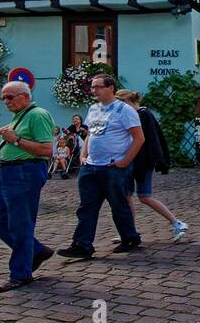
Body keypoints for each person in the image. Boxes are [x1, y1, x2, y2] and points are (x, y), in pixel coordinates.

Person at [58, 74, 145, 259]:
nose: (94, 90)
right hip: (91, 166)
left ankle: (129, 237)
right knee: (87, 206)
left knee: (118, 205)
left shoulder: (124, 110)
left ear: (111, 88)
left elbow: (139, 138)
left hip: (113, 166)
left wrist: (125, 161)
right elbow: (90, 134)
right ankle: (82, 244)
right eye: (93, 87)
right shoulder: (93, 109)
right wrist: (83, 154)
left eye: (98, 87)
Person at [0, 81, 57, 291]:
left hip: (23, 173)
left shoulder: (37, 114)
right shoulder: (20, 115)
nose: (6, 102)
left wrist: (15, 140)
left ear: (25, 96)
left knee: (20, 223)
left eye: (10, 97)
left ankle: (21, 273)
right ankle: (36, 250)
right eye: (3, 98)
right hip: (5, 173)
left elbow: (46, 150)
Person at [115, 90, 189, 241]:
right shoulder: (138, 114)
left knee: (144, 197)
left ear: (127, 101)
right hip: (132, 161)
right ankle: (129, 231)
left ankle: (176, 223)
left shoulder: (142, 114)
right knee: (127, 197)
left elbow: (149, 140)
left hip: (141, 162)